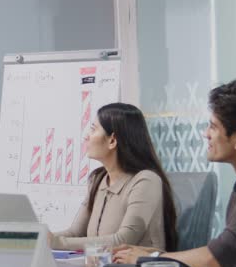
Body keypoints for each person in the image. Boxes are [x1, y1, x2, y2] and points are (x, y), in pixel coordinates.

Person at [113, 79, 236, 267]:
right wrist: (160, 254)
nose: (205, 134)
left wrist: (150, 259)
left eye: (213, 127)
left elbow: (216, 260)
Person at [50, 102, 177, 251]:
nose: (86, 136)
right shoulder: (97, 179)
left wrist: (54, 242)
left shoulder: (146, 181)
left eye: (93, 129)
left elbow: (122, 241)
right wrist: (38, 238)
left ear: (112, 140)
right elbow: (75, 233)